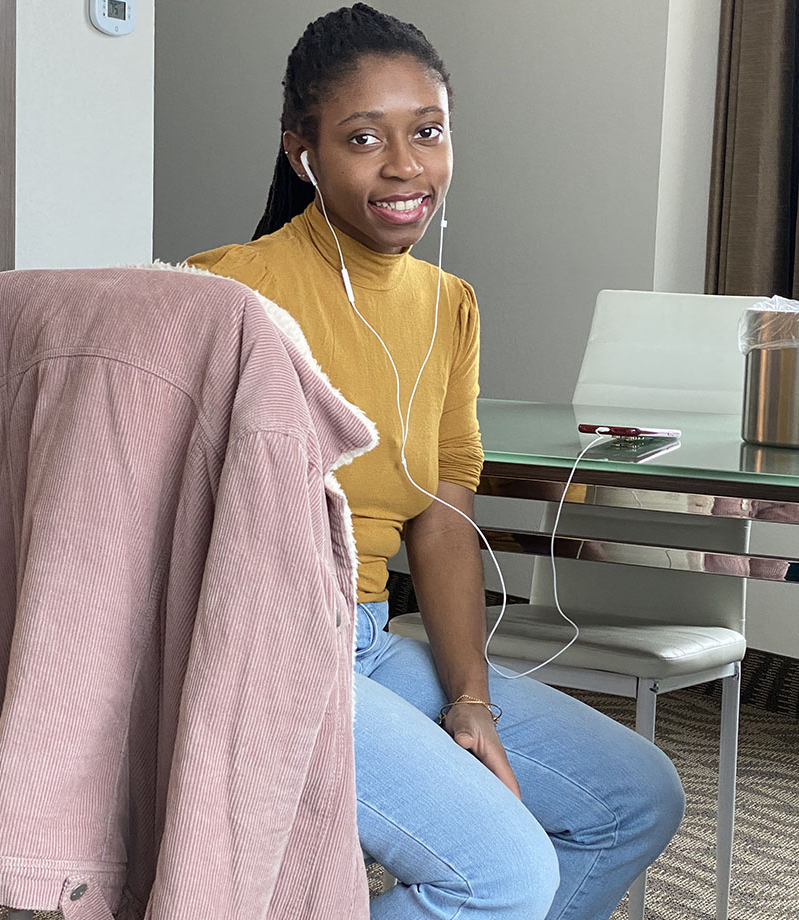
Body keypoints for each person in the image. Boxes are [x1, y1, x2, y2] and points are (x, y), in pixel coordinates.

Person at [188, 5, 685, 918]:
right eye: (363, 137)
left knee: (633, 801)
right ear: (303, 152)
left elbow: (443, 513)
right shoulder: (231, 296)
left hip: (371, 638)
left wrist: (471, 701)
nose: (404, 165)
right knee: (501, 877)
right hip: (268, 647)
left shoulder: (449, 305)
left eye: (427, 132)